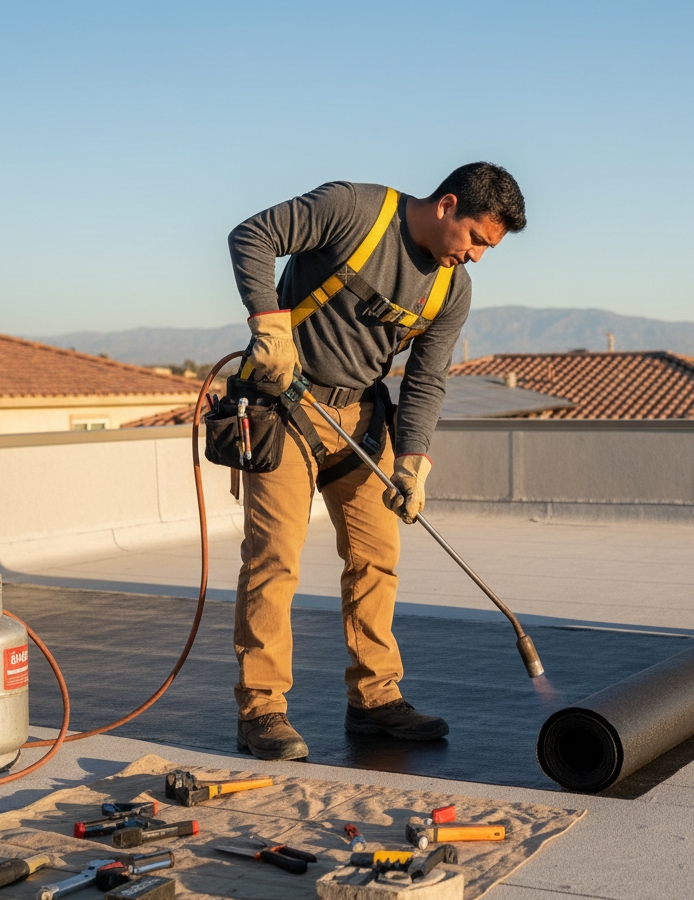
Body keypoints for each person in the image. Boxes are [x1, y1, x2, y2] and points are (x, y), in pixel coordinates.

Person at [225, 163, 526, 759]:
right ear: (447, 206)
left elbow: (426, 381)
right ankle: (261, 711)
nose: (476, 258)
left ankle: (375, 699)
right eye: (477, 241)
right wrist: (270, 326)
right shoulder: (355, 210)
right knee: (275, 560)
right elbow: (251, 235)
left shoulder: (451, 287)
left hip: (361, 419)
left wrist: (413, 462)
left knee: (376, 559)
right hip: (286, 405)